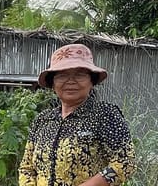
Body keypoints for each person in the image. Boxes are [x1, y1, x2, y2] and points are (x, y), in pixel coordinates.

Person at [19, 44, 135, 186]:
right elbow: (26, 168)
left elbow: (125, 162)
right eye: (62, 75)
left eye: (79, 74)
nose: (71, 81)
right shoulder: (43, 120)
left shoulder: (104, 114)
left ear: (92, 81)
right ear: (53, 83)